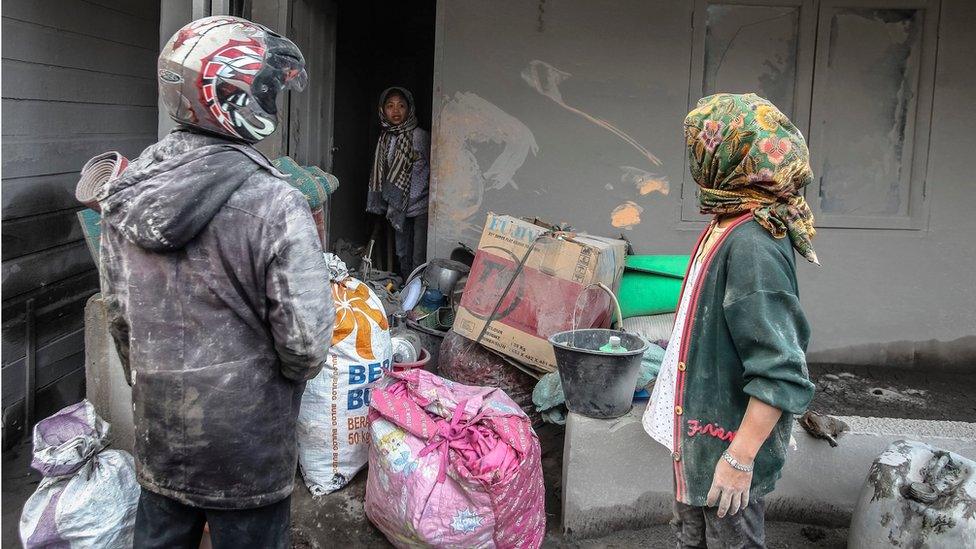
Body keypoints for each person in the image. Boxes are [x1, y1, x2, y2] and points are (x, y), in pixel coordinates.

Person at [98, 16, 334, 548]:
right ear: (235, 96)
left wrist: (157, 389)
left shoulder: (126, 194)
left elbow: (120, 321)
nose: (273, 100)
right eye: (267, 89)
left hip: (162, 434)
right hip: (247, 449)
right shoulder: (276, 203)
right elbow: (305, 344)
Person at [642, 93, 818, 548]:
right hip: (702, 442)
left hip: (725, 453)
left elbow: (781, 370)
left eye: (702, 146)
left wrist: (738, 462)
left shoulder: (754, 244)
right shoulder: (729, 218)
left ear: (729, 157)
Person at [366, 86, 431, 278]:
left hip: (421, 206)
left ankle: (416, 293)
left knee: (418, 256)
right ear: (382, 110)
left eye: (401, 106)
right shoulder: (384, 138)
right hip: (397, 206)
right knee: (402, 252)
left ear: (409, 109)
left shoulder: (420, 136)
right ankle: (405, 291)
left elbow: (433, 167)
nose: (396, 111)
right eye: (390, 106)